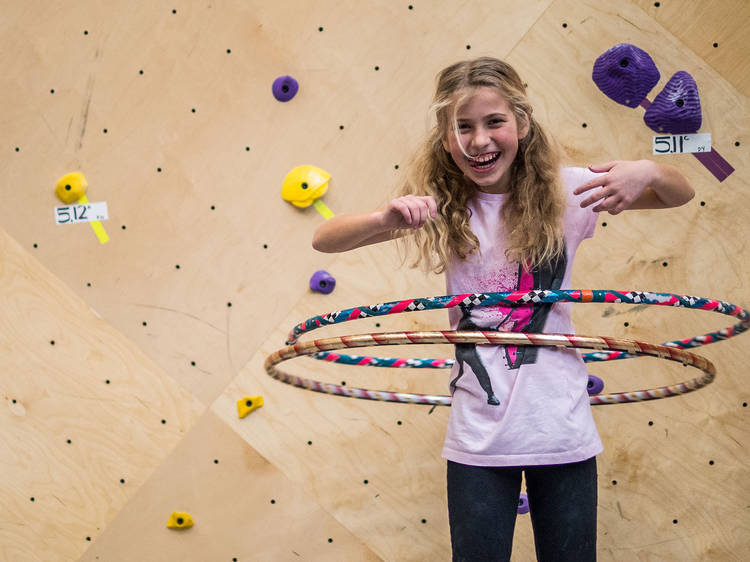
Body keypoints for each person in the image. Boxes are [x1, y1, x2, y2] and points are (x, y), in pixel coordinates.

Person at [312, 57, 694, 561]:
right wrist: (386, 216)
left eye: (494, 122)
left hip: (561, 428)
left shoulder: (570, 194)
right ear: (445, 139)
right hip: (477, 436)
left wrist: (649, 169)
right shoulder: (443, 208)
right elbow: (325, 240)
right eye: (462, 127)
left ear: (522, 123)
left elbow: (677, 193)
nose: (479, 140)